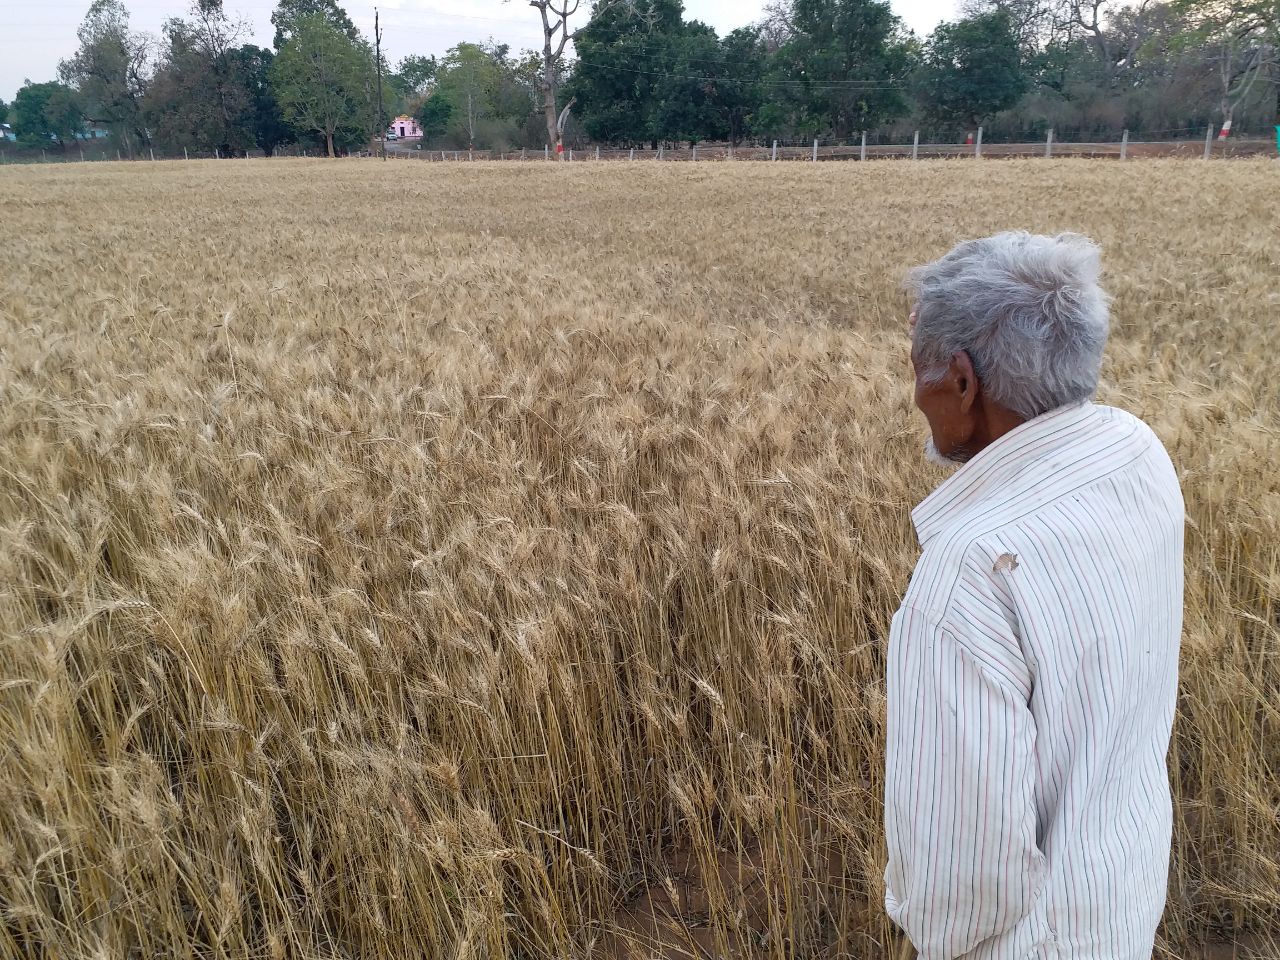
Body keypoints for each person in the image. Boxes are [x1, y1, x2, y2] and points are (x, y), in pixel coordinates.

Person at [885, 232, 1185, 959]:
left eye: (916, 367)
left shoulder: (968, 577)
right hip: (1125, 895)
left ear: (962, 380)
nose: (912, 392)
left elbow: (963, 878)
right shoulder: (1138, 452)